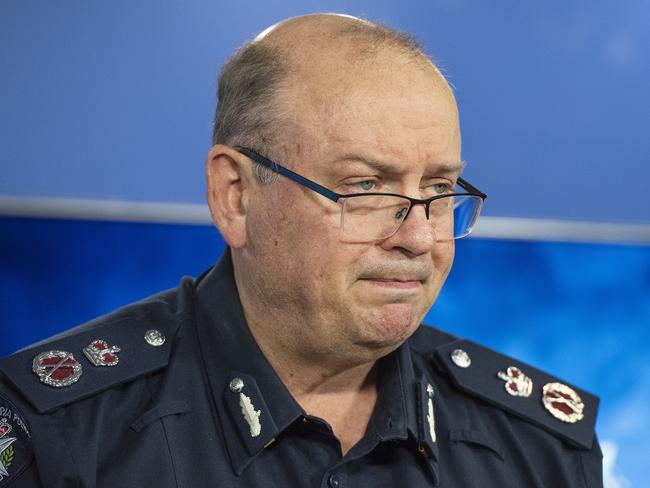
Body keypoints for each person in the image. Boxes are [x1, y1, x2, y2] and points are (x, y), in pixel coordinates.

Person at [0, 13, 602, 487]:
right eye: (365, 187)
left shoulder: (542, 444)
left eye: (439, 191)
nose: (419, 237)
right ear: (235, 196)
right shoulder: (61, 433)